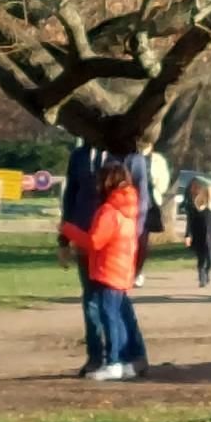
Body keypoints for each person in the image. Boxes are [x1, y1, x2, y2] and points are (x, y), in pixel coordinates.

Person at [60, 162, 147, 381]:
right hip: (121, 268)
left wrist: (68, 230)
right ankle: (127, 359)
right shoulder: (128, 209)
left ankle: (114, 361)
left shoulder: (109, 211)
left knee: (109, 317)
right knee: (118, 315)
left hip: (107, 269)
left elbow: (95, 241)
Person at [61, 139, 111, 372]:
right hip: (84, 236)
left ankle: (117, 353)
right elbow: (70, 196)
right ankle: (95, 356)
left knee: (111, 299)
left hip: (111, 239)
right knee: (90, 298)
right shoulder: (79, 156)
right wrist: (64, 239)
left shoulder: (120, 155)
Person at [184, 178, 211, 288]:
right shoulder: (196, 208)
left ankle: (208, 272)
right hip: (199, 238)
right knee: (201, 259)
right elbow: (190, 224)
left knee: (210, 258)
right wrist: (188, 236)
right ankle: (202, 278)